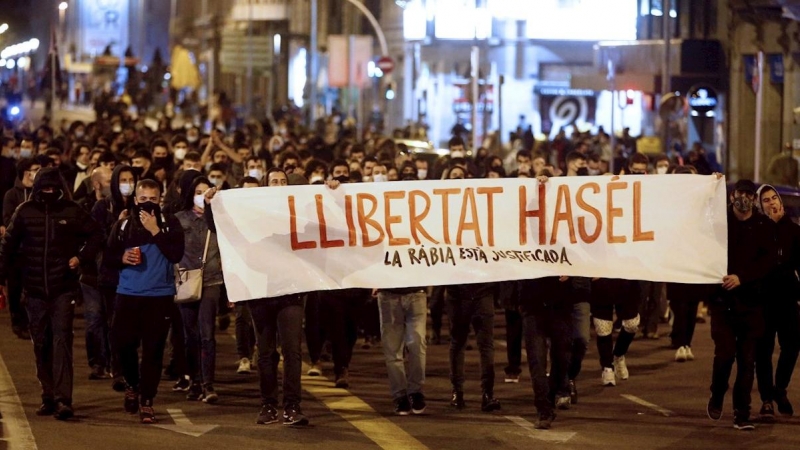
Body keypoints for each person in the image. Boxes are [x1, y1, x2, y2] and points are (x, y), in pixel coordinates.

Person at [204, 167, 309, 426]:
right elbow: (219, 225)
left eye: (283, 181)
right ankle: (269, 405)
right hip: (260, 291)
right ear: (265, 186)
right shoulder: (251, 213)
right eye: (273, 181)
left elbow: (326, 217)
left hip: (291, 291)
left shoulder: (298, 212)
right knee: (265, 352)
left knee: (292, 351)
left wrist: (333, 189)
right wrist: (210, 204)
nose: (278, 185)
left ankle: (292, 406)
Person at [0, 167, 103, 420]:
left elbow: (97, 234)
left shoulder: (72, 210)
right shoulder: (24, 212)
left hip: (62, 288)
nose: (48, 192)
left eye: (52, 188)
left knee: (61, 342)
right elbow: (7, 246)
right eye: (44, 188)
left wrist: (80, 257)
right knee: (42, 343)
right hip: (34, 290)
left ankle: (63, 399)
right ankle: (47, 395)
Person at [106, 179, 185, 424]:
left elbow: (176, 254)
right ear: (135, 199)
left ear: (160, 199)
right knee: (123, 344)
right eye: (143, 200)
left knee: (153, 350)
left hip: (159, 296)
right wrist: (122, 257)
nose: (148, 204)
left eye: (153, 199)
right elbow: (108, 257)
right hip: (128, 294)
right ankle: (132, 384)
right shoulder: (123, 224)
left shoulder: (170, 223)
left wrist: (155, 231)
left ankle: (147, 400)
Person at [707, 179, 773, 431]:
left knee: (747, 361)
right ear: (731, 195)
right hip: (722, 304)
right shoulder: (719, 224)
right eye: (739, 193)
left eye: (747, 193)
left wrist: (742, 277)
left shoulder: (763, 226)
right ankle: (717, 393)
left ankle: (741, 412)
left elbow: (766, 262)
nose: (742, 198)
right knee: (724, 354)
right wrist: (711, 186)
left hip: (752, 304)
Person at [754, 184, 800, 421]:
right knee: (763, 351)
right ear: (760, 207)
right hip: (762, 299)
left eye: (774, 198)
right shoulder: (758, 231)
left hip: (788, 298)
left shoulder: (793, 230)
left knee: (792, 345)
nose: (772, 203)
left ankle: (779, 389)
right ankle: (766, 400)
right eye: (766, 200)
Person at [175, 176, 223, 403]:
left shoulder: (218, 219)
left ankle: (208, 384)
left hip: (212, 280)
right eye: (198, 191)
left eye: (207, 191)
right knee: (189, 335)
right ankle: (194, 380)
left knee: (207, 334)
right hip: (186, 280)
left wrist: (213, 207)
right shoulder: (179, 219)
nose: (202, 195)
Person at [2, 157, 41, 339]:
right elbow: (9, 220)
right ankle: (18, 322)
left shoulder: (40, 192)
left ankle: (31, 322)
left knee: (32, 289)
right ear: (26, 172)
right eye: (35, 169)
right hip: (17, 251)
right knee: (16, 289)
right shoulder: (12, 194)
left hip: (34, 250)